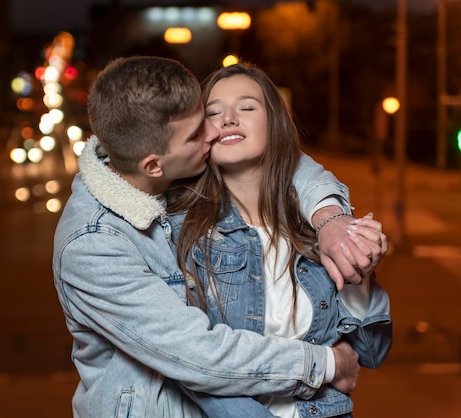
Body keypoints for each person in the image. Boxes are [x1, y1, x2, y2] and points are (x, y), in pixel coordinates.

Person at [52, 55, 381, 417]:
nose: (217, 129)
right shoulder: (97, 242)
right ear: (154, 165)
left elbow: (293, 163)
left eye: (246, 107)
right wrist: (325, 364)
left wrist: (332, 219)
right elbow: (200, 355)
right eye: (201, 126)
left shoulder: (303, 213)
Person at [167, 62, 392, 417]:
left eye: (246, 107)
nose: (228, 119)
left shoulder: (318, 229)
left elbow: (371, 353)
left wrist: (358, 272)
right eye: (214, 111)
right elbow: (189, 361)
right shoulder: (184, 231)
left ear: (274, 122)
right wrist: (324, 365)